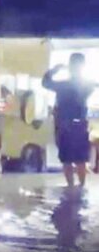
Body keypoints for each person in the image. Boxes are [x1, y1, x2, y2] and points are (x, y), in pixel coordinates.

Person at [43, 53, 98, 187]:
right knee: (79, 159)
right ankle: (79, 187)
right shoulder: (86, 85)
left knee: (68, 159)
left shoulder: (64, 85)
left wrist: (55, 69)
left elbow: (45, 82)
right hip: (77, 125)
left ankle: (72, 187)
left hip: (66, 126)